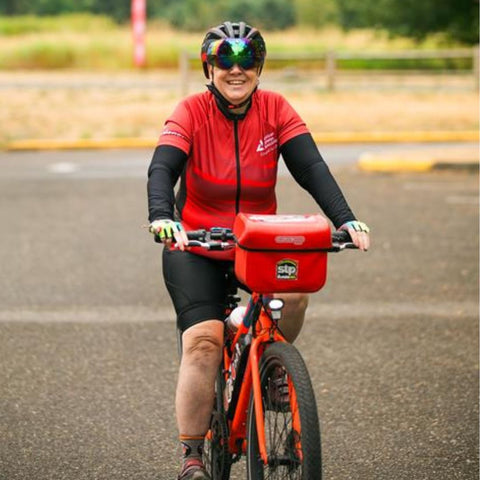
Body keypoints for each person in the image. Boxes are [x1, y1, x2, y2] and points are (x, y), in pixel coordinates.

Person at [147, 20, 370, 480]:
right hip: (196, 245)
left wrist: (344, 218)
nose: (236, 69)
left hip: (256, 242)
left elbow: (311, 167)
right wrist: (163, 216)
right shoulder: (190, 111)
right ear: (208, 68)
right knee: (204, 342)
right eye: (224, 60)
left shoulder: (275, 109)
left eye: (246, 60)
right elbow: (162, 167)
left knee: (295, 293)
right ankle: (191, 454)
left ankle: (272, 370)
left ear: (259, 67)